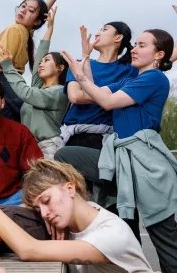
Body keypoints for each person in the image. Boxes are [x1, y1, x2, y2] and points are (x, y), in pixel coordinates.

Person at [60, 28, 177, 273]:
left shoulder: (154, 78)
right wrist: (86, 58)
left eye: (142, 45)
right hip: (122, 161)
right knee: (65, 155)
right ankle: (110, 194)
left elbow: (108, 102)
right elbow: (95, 92)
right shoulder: (131, 80)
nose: (134, 48)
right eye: (135, 44)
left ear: (159, 54)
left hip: (147, 165)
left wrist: (80, 75)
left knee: (165, 241)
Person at [0, 159, 152, 273]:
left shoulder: (111, 234)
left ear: (70, 188)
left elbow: (29, 250)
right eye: (39, 209)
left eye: (46, 201)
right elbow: (22, 211)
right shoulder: (80, 212)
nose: (45, 214)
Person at [0, 7, 69, 159]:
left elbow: (26, 93)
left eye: (47, 61)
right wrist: (49, 29)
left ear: (60, 68)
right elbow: (39, 57)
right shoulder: (39, 86)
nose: (41, 64)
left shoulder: (59, 92)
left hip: (49, 148)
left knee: (48, 184)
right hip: (28, 148)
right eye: (41, 62)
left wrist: (8, 67)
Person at [56, 22, 138, 150]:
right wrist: (109, 96)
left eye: (104, 29)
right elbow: (75, 97)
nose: (97, 33)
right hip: (75, 135)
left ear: (118, 37)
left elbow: (162, 57)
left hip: (107, 138)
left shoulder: (130, 70)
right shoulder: (78, 64)